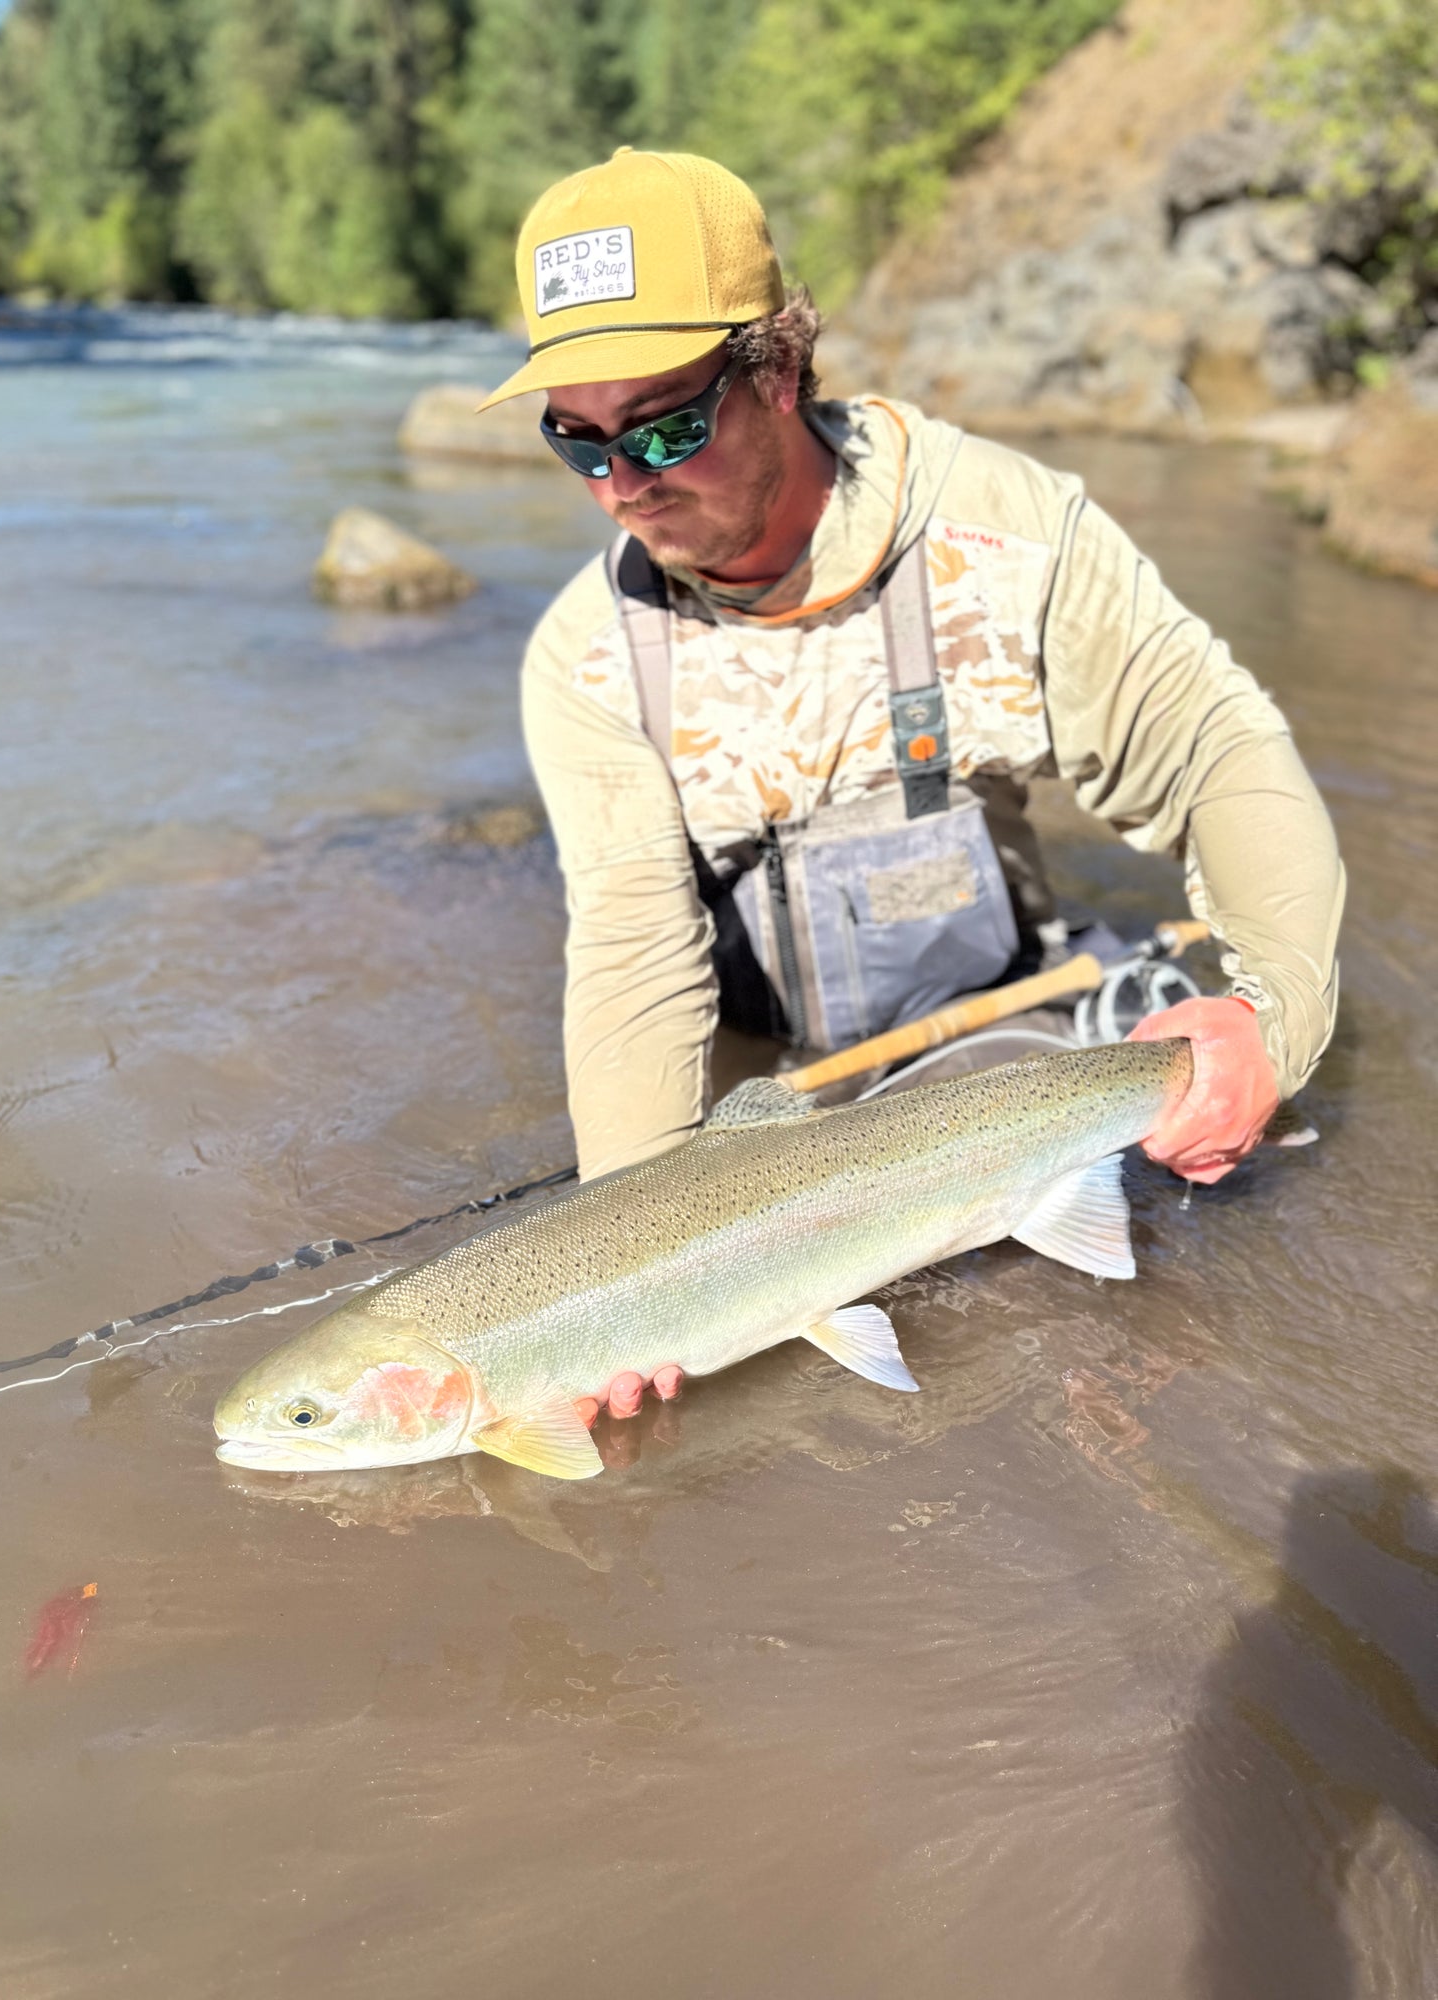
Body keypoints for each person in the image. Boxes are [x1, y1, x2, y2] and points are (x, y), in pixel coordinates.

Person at [479, 149, 1345, 1424]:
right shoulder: (587, 657)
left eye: (666, 426)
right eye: (579, 440)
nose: (627, 485)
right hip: (769, 1093)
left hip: (1000, 1027)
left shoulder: (1006, 536)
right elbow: (632, 950)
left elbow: (1217, 750)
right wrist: (636, 1262)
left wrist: (1270, 1021)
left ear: (776, 367)